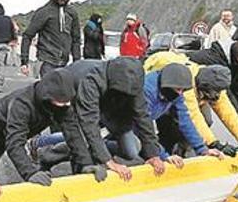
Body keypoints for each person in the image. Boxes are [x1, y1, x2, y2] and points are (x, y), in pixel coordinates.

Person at [31, 58, 163, 178]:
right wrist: (107, 161)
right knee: (81, 140)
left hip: (109, 105)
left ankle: (96, 149)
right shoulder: (90, 80)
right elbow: (89, 122)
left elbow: (143, 116)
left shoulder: (133, 82)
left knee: (131, 150)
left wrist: (153, 154)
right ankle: (46, 154)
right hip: (77, 97)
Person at [0, 69, 103, 185]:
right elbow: (14, 143)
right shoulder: (21, 105)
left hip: (6, 129)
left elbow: (72, 133)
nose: (65, 105)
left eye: (67, 102)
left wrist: (86, 163)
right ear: (48, 97)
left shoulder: (61, 104)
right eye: (60, 103)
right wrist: (30, 173)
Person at [145, 51, 238, 156]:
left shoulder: (215, 81)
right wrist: (214, 144)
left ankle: (185, 148)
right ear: (203, 88)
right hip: (164, 91)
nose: (214, 98)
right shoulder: (185, 86)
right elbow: (192, 117)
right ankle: (165, 151)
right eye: (210, 96)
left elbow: (227, 112)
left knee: (207, 120)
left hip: (189, 92)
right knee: (173, 126)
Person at [20, 0, 81, 78]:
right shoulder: (44, 12)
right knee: (48, 93)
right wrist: (24, 62)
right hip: (46, 62)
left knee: (63, 93)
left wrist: (77, 64)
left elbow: (76, 40)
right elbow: (27, 35)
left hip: (64, 64)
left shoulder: (72, 13)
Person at [189, 39, 238, 114]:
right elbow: (227, 92)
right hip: (190, 90)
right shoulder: (210, 58)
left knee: (208, 121)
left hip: (207, 94)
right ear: (235, 57)